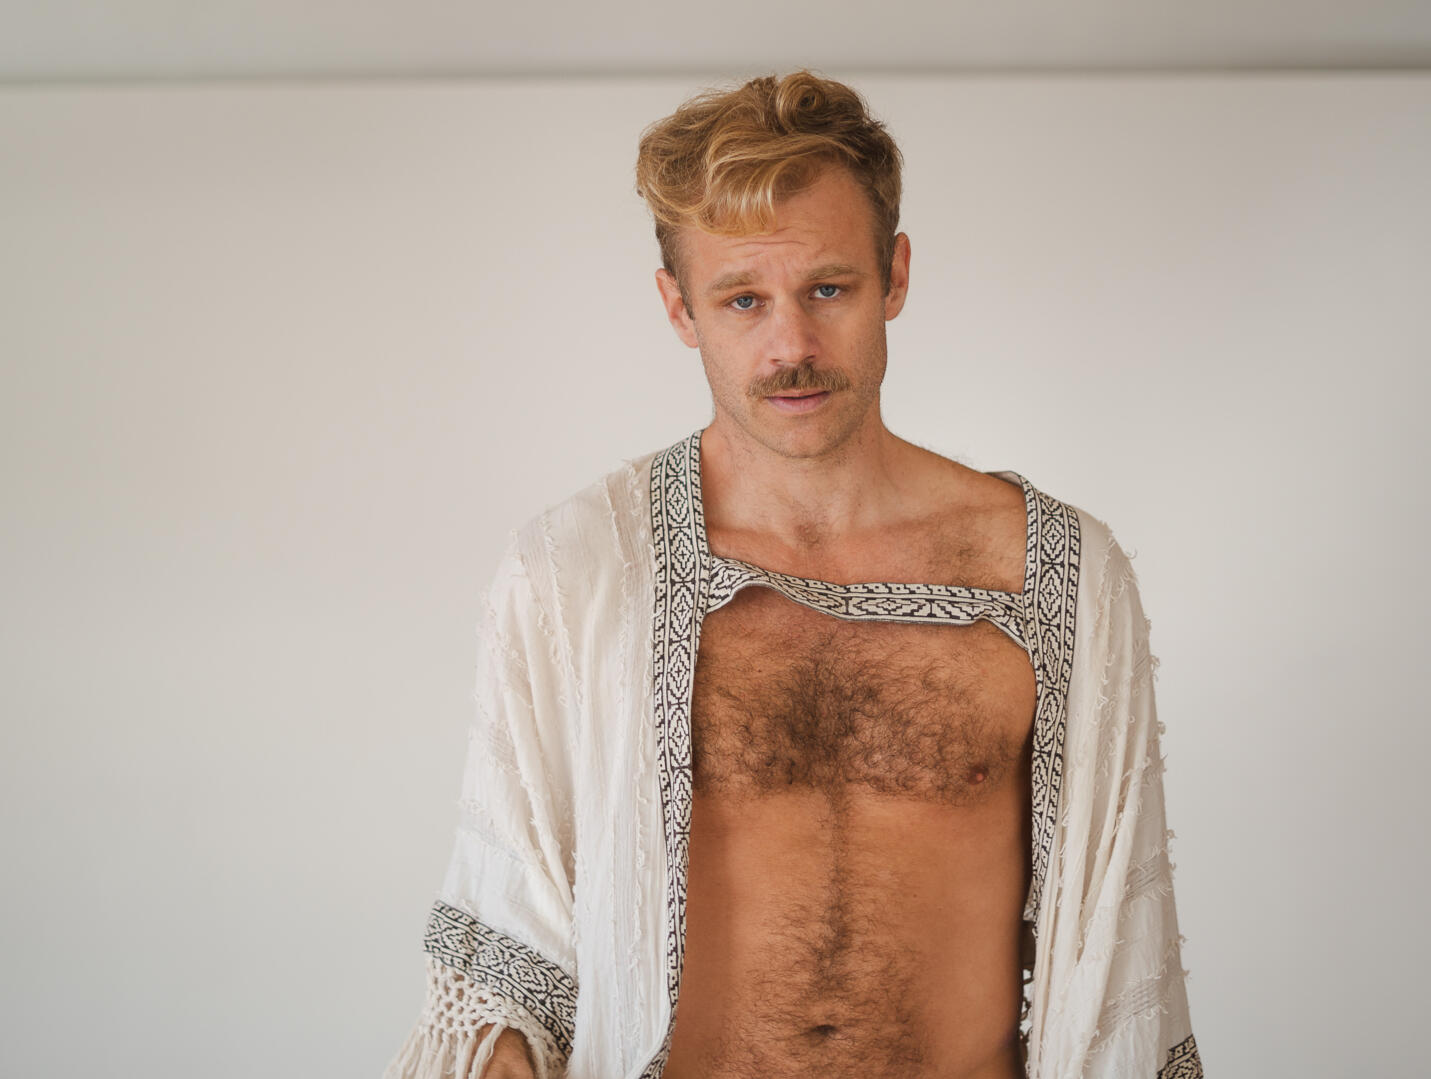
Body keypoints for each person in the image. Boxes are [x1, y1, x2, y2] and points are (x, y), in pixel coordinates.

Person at [385, 70, 1202, 1079]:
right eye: (743, 299)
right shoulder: (579, 571)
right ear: (679, 308)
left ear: (894, 276)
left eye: (828, 289)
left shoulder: (1053, 574)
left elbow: (1119, 952)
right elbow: (506, 940)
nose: (792, 347)